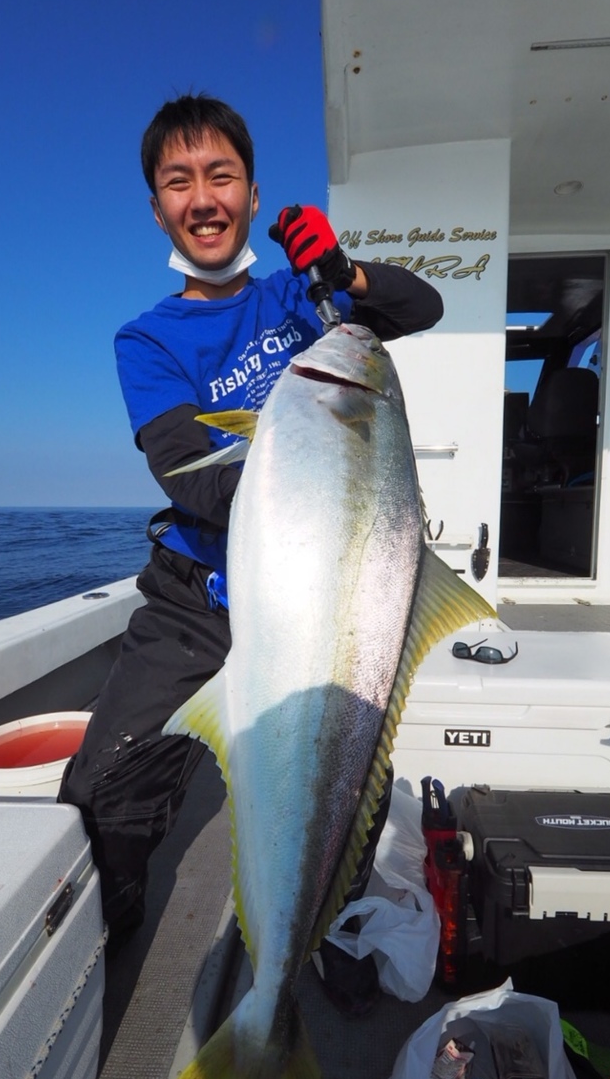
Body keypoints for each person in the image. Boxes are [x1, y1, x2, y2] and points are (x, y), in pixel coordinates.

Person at [59, 93, 443, 1016]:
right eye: (178, 180)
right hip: (198, 595)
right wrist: (303, 467)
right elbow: (188, 473)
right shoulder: (147, 338)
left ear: (252, 191)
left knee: (350, 786)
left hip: (324, 596)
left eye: (220, 175)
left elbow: (419, 306)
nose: (202, 196)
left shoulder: (302, 303)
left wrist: (345, 274)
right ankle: (113, 938)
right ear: (157, 207)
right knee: (103, 786)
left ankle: (329, 926)